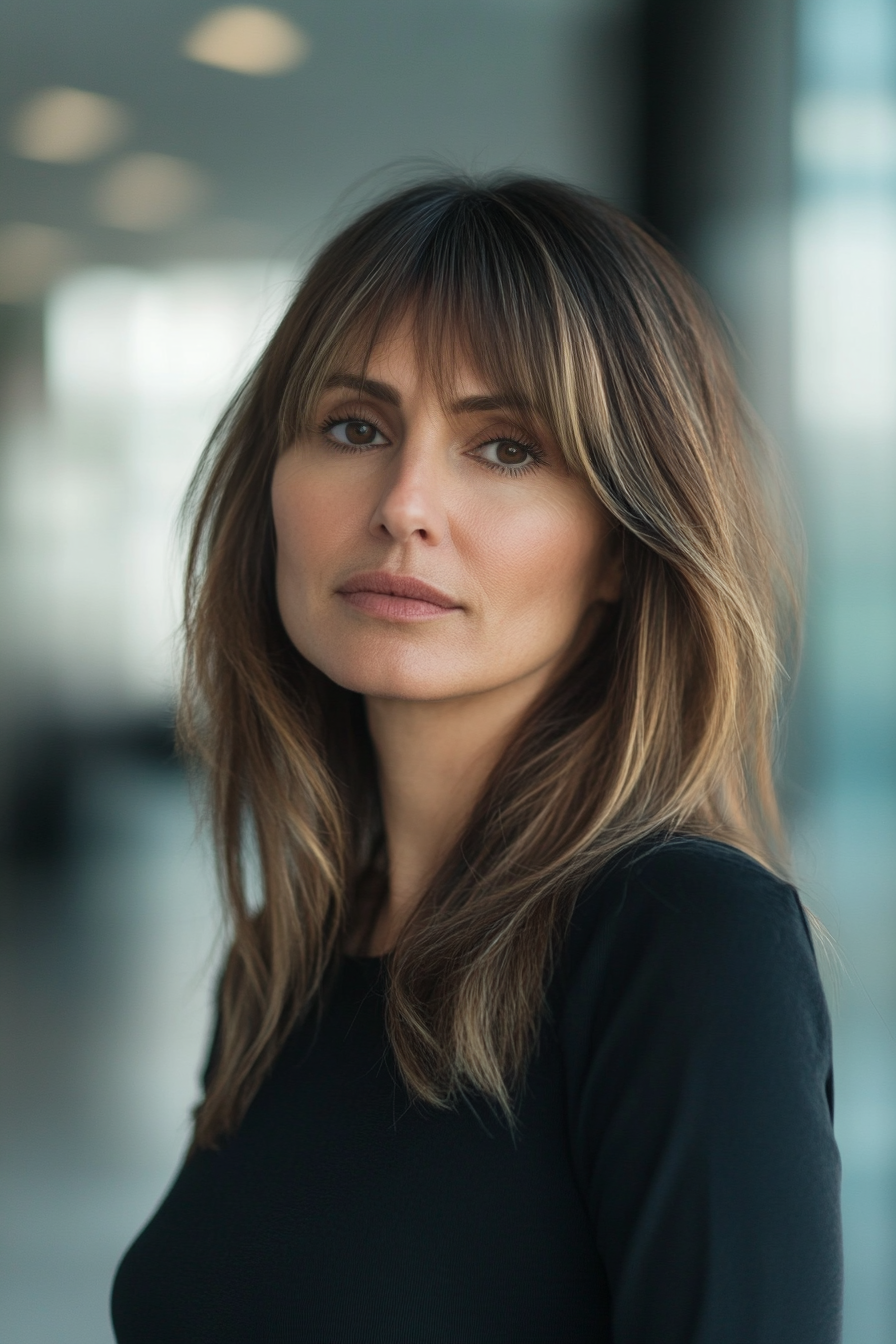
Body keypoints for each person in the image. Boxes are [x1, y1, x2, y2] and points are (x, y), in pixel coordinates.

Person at [111, 175, 842, 1343]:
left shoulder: (684, 940)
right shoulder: (286, 958)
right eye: (354, 428)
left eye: (505, 449)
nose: (402, 504)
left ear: (620, 545)